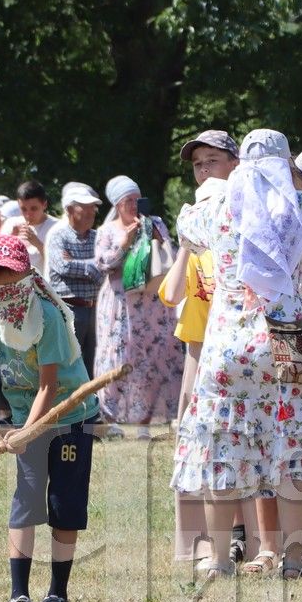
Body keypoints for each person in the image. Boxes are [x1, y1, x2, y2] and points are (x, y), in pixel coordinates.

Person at [173, 129, 302, 580]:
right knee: (295, 443)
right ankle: (292, 558)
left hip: (228, 341)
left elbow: (185, 228)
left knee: (221, 445)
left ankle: (218, 560)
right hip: (285, 337)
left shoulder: (217, 209)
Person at [0, 235, 98, 602]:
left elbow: (48, 387)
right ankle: (18, 596)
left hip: (70, 418)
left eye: (10, 281)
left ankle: (57, 596)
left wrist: (27, 432)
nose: (3, 291)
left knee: (63, 505)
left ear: (26, 276)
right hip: (26, 418)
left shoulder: (48, 316)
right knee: (27, 499)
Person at [158, 131, 244, 572]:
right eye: (197, 164)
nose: (205, 170)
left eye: (213, 160)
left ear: (236, 164)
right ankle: (193, 544)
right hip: (197, 351)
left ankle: (240, 540)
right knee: (192, 445)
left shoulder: (243, 223)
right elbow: (171, 294)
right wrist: (187, 247)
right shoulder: (194, 227)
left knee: (241, 445)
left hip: (237, 354)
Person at [92, 176, 180, 433]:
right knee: (120, 357)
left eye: (137, 199)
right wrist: (124, 244)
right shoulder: (107, 231)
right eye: (128, 200)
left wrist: (157, 237)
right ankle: (113, 417)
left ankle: (147, 420)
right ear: (117, 204)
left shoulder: (155, 223)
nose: (133, 205)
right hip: (121, 307)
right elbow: (102, 264)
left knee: (152, 358)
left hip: (152, 304)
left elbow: (170, 257)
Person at [44, 182, 103, 374]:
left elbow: (105, 267)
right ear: (69, 209)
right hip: (69, 310)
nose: (91, 212)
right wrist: (93, 265)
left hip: (95, 309)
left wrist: (80, 264)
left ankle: (93, 403)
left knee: (93, 365)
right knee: (69, 365)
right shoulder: (58, 236)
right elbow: (62, 266)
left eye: (92, 207)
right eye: (84, 207)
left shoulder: (98, 237)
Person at [1, 181, 57, 274]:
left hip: (43, 285)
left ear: (44, 205)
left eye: (34, 208)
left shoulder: (56, 227)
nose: (28, 214)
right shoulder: (10, 224)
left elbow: (59, 263)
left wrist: (37, 243)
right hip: (17, 284)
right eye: (23, 209)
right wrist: (9, 239)